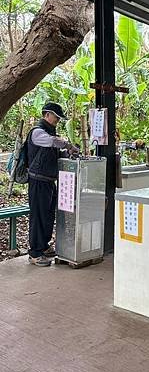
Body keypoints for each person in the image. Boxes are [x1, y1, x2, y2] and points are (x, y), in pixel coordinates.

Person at [27, 102, 79, 267]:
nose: (57, 120)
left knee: (48, 216)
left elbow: (54, 150)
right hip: (38, 181)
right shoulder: (37, 132)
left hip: (49, 181)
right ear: (47, 114)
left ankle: (43, 246)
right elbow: (52, 142)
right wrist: (67, 144)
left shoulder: (50, 133)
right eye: (56, 117)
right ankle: (35, 253)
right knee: (39, 217)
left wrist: (67, 152)